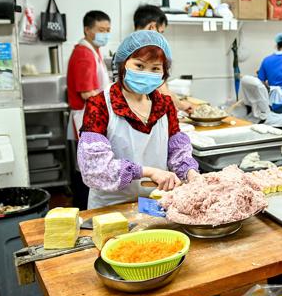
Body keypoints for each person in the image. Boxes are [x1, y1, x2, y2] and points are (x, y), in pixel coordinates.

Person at [78, 30, 199, 209]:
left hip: (157, 203)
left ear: (164, 73)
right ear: (123, 63)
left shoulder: (164, 105)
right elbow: (94, 168)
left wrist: (191, 174)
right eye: (140, 66)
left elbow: (177, 152)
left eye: (155, 68)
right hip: (111, 207)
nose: (147, 73)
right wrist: (148, 172)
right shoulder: (100, 104)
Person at [133, 4, 194, 114]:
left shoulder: (125, 48)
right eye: (160, 32)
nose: (161, 38)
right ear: (152, 27)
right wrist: (181, 105)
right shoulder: (147, 52)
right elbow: (161, 89)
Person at [66, 10, 112, 140]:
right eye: (101, 30)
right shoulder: (84, 54)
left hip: (92, 114)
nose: (106, 34)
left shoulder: (93, 51)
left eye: (108, 30)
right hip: (87, 117)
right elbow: (87, 93)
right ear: (87, 30)